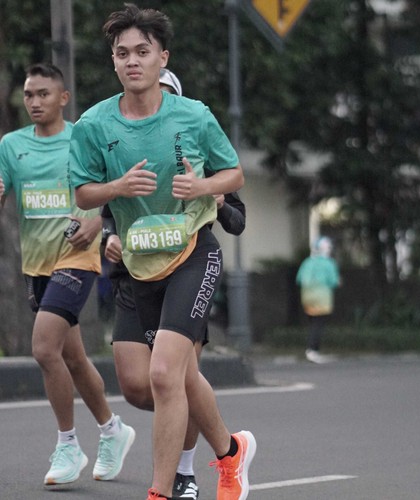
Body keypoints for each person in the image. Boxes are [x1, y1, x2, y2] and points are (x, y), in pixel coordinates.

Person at [69, 5, 256, 500]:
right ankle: (230, 451)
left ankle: (164, 489)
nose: (132, 61)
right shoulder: (93, 124)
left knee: (165, 373)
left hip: (193, 252)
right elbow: (83, 195)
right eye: (122, 53)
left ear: (162, 58)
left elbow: (234, 175)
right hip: (139, 263)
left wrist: (202, 187)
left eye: (142, 51)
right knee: (155, 382)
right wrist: (117, 188)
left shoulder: (194, 115)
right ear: (113, 61)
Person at [101, 68, 246, 500]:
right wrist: (108, 237)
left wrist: (214, 197)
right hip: (137, 275)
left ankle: (180, 475)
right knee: (140, 385)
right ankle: (230, 450)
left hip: (187, 267)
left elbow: (237, 218)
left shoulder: (197, 141)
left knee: (172, 376)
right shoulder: (124, 146)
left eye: (164, 95)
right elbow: (105, 207)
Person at [0, 62, 135, 485]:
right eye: (28, 95)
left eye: (43, 94)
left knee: (44, 349)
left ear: (63, 98)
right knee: (72, 357)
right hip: (36, 264)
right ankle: (113, 429)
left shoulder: (83, 138)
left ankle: (68, 444)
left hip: (77, 259)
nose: (35, 102)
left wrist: (98, 222)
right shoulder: (11, 145)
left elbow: (117, 189)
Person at [296, 236, 340, 363]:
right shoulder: (329, 263)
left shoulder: (307, 262)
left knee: (313, 323)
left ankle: (312, 349)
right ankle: (312, 350)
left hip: (306, 296)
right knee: (318, 324)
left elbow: (299, 279)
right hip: (322, 297)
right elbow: (333, 281)